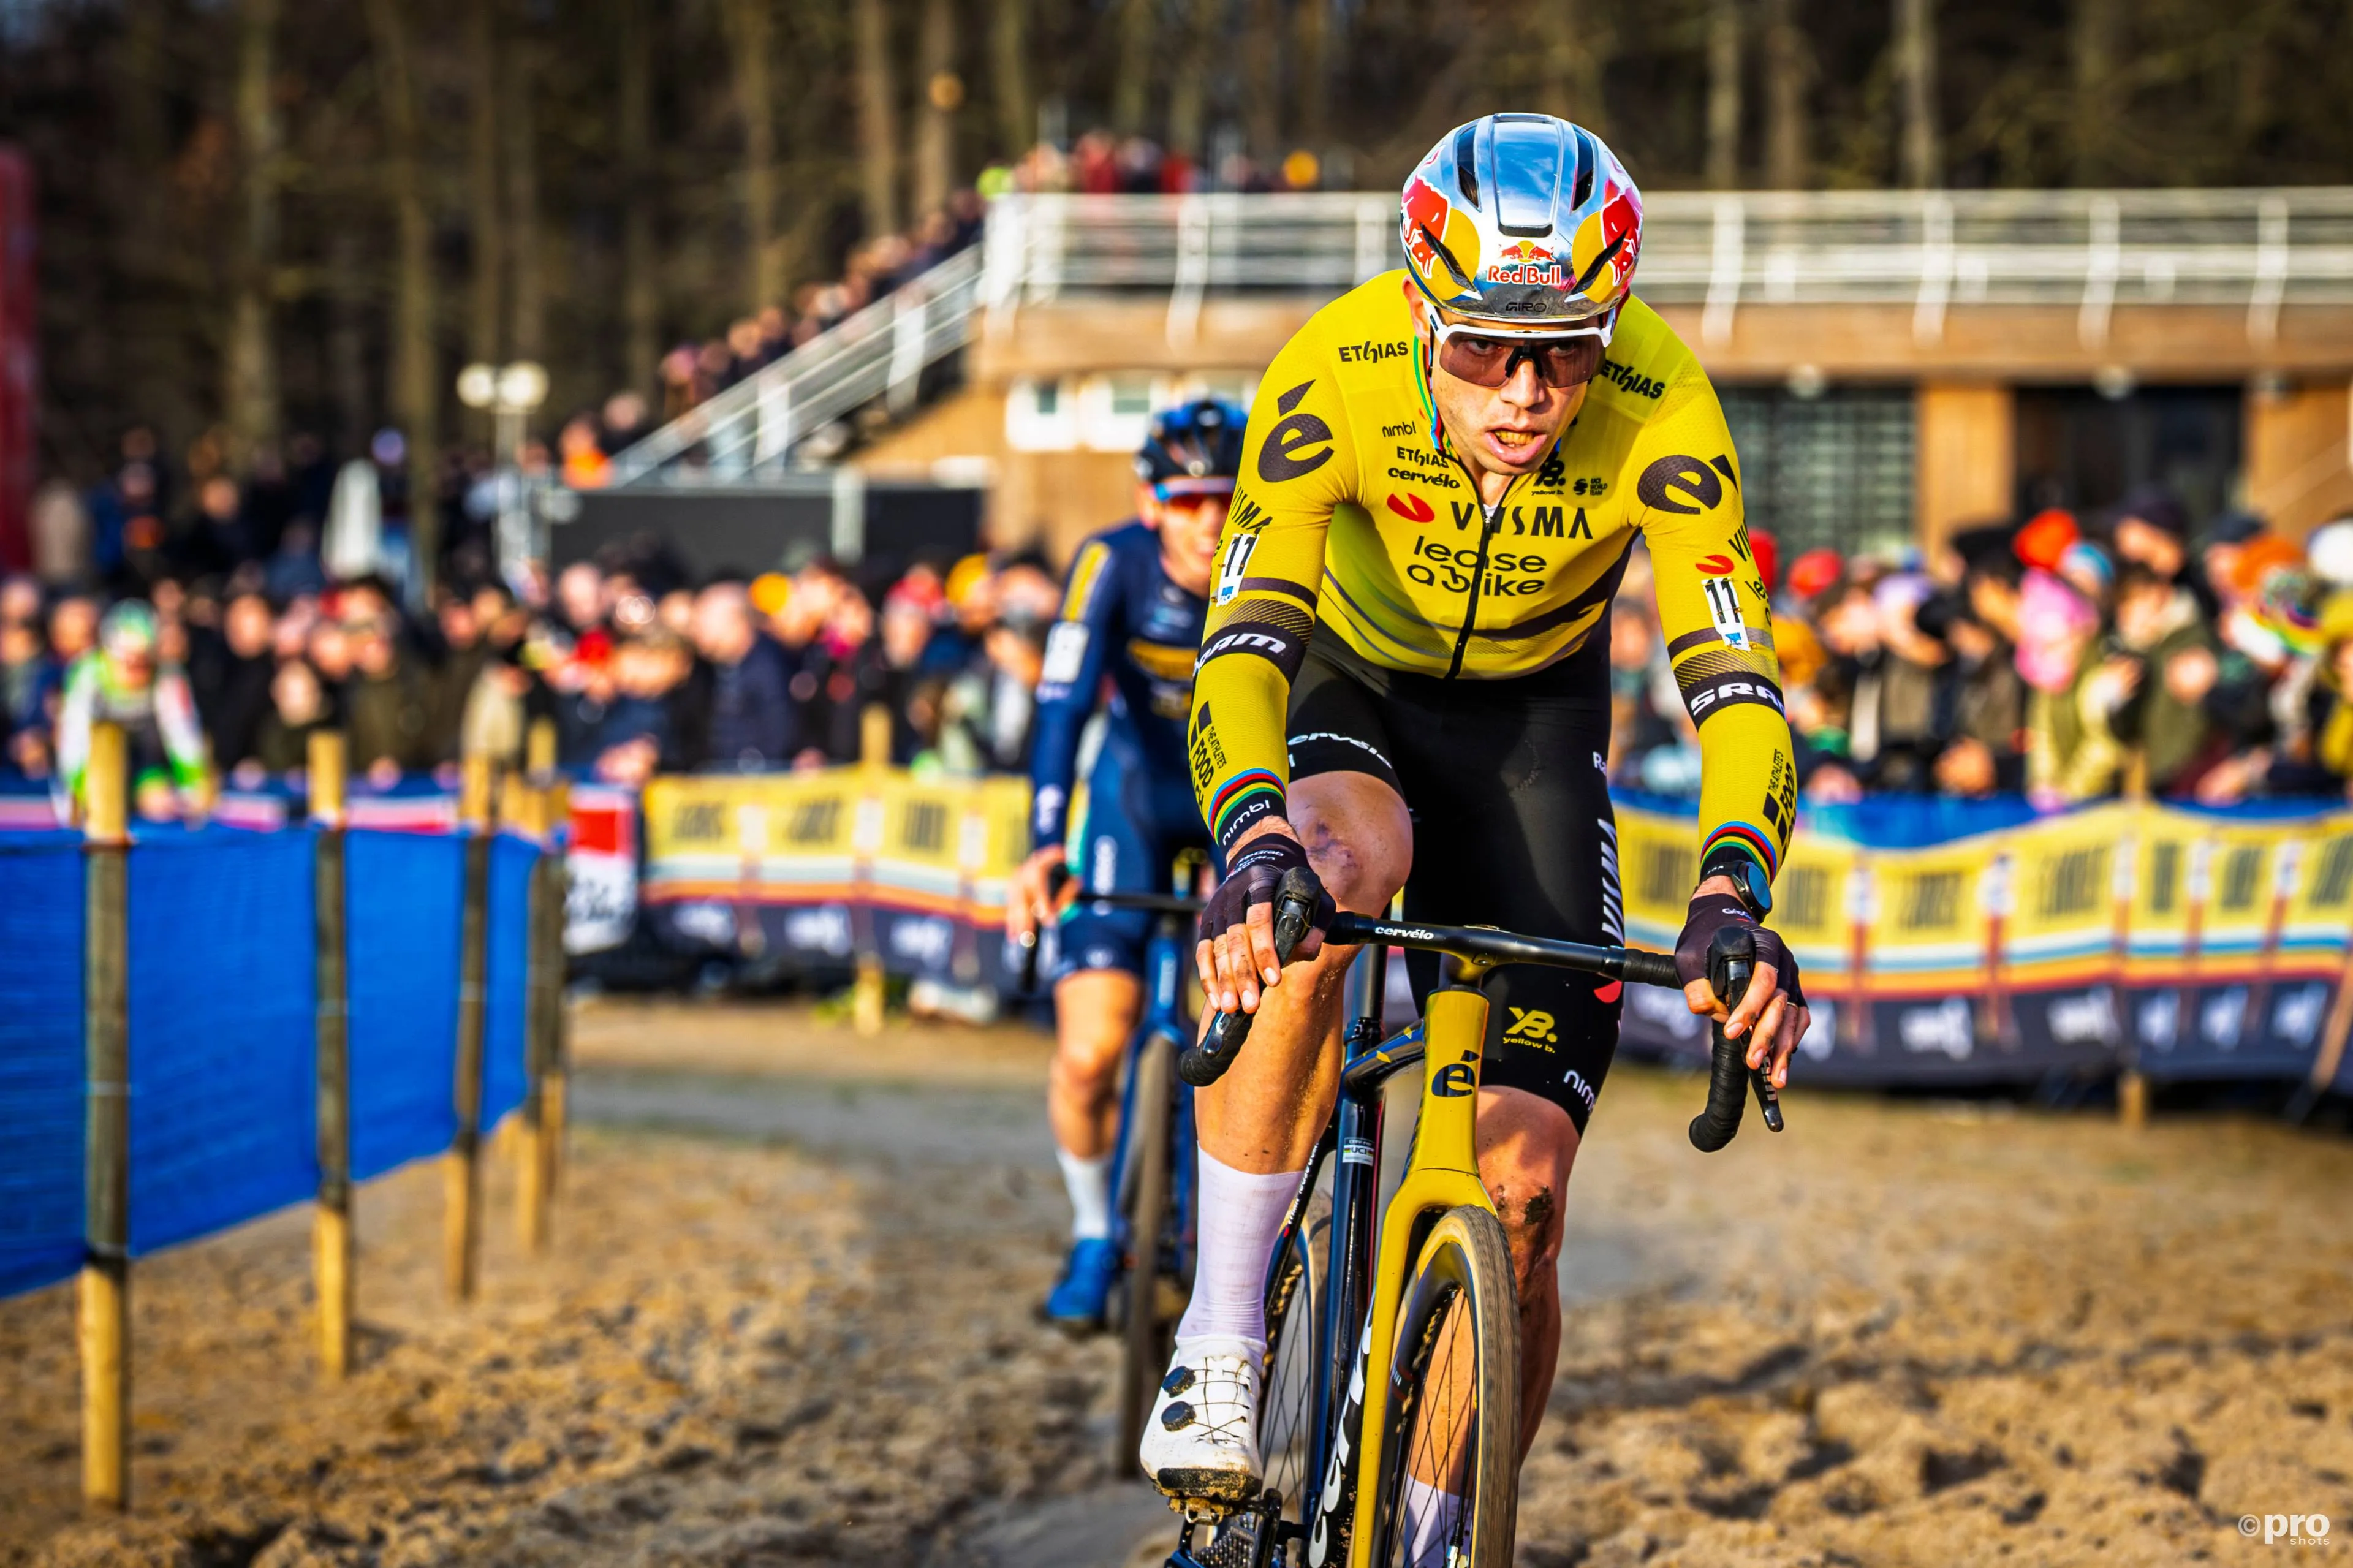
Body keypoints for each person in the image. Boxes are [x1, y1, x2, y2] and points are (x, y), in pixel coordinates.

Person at [1145, 115, 1809, 1522]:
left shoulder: (1664, 408)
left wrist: (1733, 894)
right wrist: (1252, 835)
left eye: (1565, 346)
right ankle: (1217, 1335)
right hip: (1353, 684)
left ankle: (1440, 1532)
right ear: (1418, 305)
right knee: (1326, 876)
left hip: (1531, 732)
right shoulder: (1333, 373)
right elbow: (1244, 644)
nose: (1524, 389)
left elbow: (1737, 686)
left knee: (1518, 1201)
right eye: (1483, 346)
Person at [1003, 399, 1244, 1329]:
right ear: (1152, 503)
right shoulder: (1111, 562)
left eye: (1226, 497)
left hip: (1238, 806)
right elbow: (1061, 703)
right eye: (1188, 501)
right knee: (1090, 1048)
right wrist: (1045, 839)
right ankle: (1097, 1229)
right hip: (1133, 799)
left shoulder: (1280, 562)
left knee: (1248, 1041)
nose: (1211, 521)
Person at [55, 600, 210, 822]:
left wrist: (193, 789)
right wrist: (77, 790)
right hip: (99, 763)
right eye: (128, 661)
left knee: (159, 804)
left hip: (147, 761)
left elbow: (183, 735)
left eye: (143, 661)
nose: (136, 670)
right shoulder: (87, 673)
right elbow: (73, 738)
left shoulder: (167, 676)